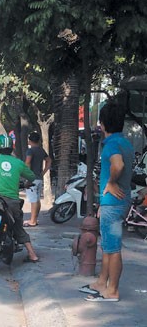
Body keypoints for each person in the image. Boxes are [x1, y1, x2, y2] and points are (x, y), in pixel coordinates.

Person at [83, 100, 134, 303]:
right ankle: (101, 282)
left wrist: (111, 181)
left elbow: (118, 165)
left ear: (102, 123)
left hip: (113, 203)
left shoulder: (111, 144)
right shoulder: (126, 142)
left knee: (113, 249)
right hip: (119, 201)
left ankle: (112, 290)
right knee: (108, 246)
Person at [0, 134, 40, 263]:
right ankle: (32, 254)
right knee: (17, 226)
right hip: (12, 202)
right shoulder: (18, 163)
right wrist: (26, 183)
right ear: (11, 148)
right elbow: (32, 177)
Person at [23, 132, 51, 227]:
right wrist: (43, 172)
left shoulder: (30, 151)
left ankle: (32, 221)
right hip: (39, 178)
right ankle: (35, 219)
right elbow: (49, 160)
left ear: (29, 141)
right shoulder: (41, 150)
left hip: (32, 179)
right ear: (39, 140)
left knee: (33, 200)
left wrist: (28, 176)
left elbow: (28, 162)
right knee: (37, 199)